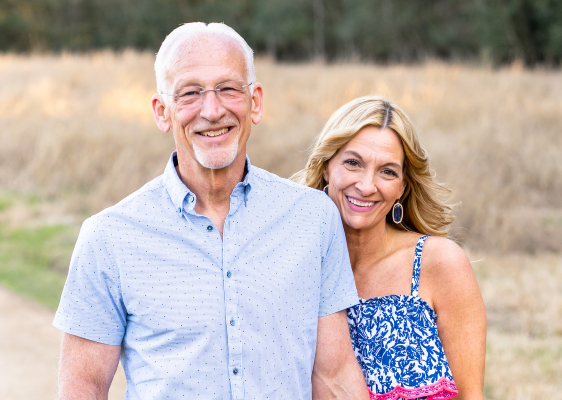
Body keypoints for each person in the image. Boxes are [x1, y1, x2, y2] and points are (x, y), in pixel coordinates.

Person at [53, 22, 370, 400]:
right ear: (162, 112)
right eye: (189, 93)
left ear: (255, 102)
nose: (212, 110)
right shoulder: (108, 238)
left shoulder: (313, 219)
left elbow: (334, 377)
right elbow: (82, 389)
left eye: (228, 88)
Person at [292, 96, 487, 400]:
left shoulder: (439, 264)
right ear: (327, 167)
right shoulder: (293, 262)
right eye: (353, 163)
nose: (367, 185)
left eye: (387, 171)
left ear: (402, 187)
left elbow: (470, 396)